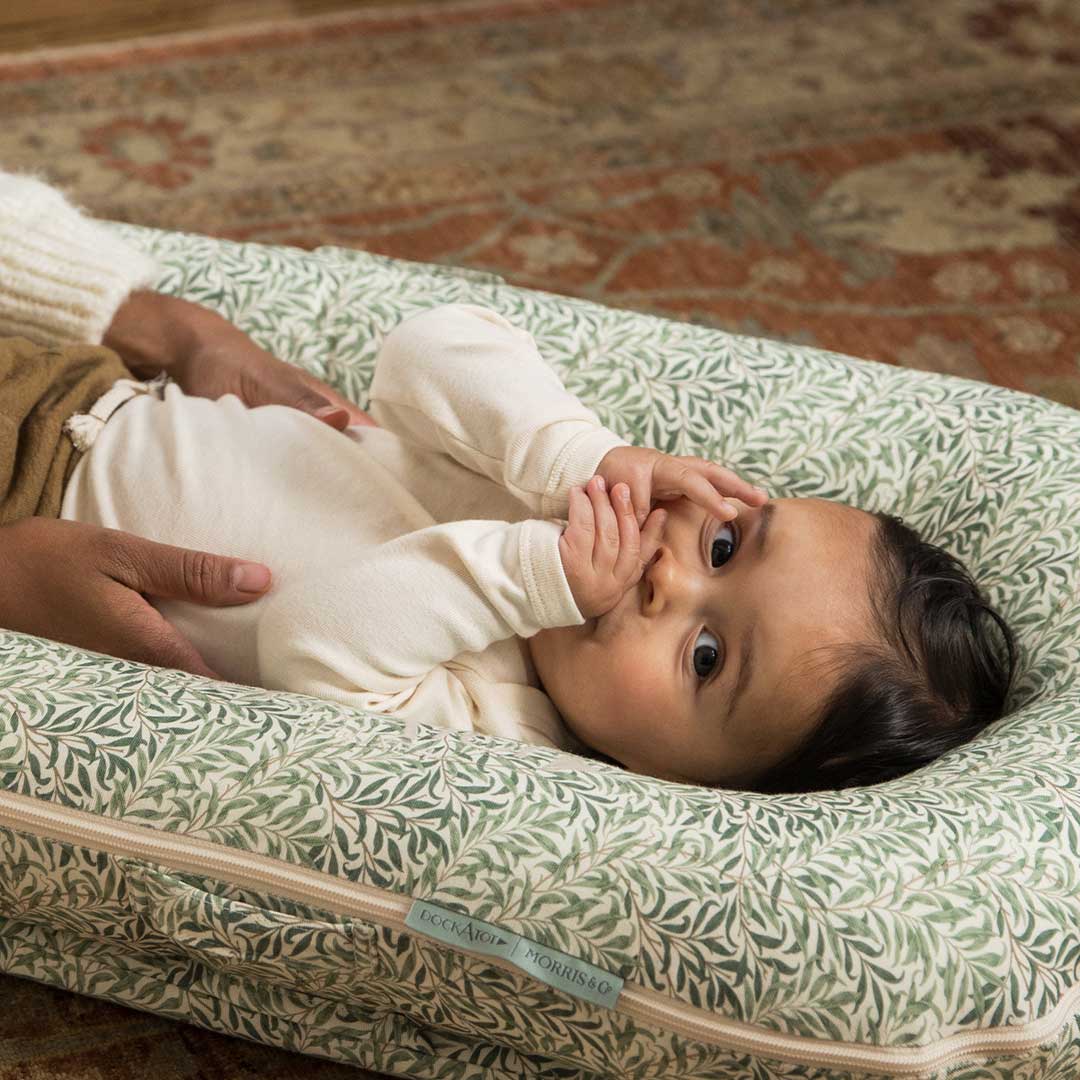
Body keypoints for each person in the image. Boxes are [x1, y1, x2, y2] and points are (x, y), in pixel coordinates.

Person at [0, 169, 1018, 793]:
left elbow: (311, 643)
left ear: (679, 781)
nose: (666, 577)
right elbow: (424, 350)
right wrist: (576, 454)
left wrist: (537, 577)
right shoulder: (553, 485)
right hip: (83, 387)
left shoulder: (500, 729)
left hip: (28, 501)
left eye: (706, 657)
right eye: (724, 545)